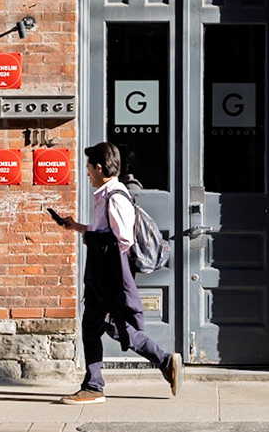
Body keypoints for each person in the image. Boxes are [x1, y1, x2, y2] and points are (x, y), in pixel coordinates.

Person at [51, 142, 181, 404]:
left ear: (99, 168)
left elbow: (123, 241)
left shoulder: (115, 197)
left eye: (89, 168)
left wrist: (96, 245)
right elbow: (104, 232)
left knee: (104, 327)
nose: (87, 173)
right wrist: (77, 227)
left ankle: (96, 386)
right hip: (101, 275)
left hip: (107, 276)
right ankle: (163, 362)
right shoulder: (105, 195)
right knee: (105, 327)